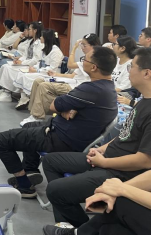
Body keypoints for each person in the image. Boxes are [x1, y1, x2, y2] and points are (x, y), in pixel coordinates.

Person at [41, 47, 151, 230]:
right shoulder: (143, 102)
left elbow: (145, 160)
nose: (129, 71)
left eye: (132, 66)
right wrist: (102, 148)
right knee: (51, 161)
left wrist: (105, 162)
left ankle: (79, 229)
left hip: (120, 171)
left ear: (146, 73)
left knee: (55, 190)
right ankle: (69, 222)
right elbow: (125, 134)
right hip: (106, 158)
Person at [0, 46, 118, 199]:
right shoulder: (109, 88)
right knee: (28, 125)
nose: (82, 62)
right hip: (68, 132)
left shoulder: (90, 89)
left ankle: (24, 185)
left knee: (0, 140)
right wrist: (66, 110)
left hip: (59, 139)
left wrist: (64, 109)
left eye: (84, 59)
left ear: (94, 67)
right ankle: (30, 170)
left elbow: (53, 106)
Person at [21, 34, 101, 126]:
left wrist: (74, 48)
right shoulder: (85, 58)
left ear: (93, 46)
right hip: (72, 82)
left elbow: (70, 65)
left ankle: (37, 116)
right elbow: (72, 76)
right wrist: (56, 75)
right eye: (81, 45)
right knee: (38, 81)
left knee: (43, 86)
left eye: (84, 45)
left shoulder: (93, 60)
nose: (82, 47)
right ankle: (33, 113)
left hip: (77, 87)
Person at [44, 170, 151, 235]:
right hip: (105, 163)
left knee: (121, 203)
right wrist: (114, 190)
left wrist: (122, 189)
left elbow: (143, 160)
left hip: (118, 170)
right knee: (110, 229)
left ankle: (79, 232)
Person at [12, 29, 64, 110]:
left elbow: (52, 69)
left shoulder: (56, 52)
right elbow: (40, 62)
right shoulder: (45, 48)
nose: (40, 37)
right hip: (42, 72)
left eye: (42, 36)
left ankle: (27, 98)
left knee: (27, 76)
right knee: (22, 73)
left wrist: (37, 70)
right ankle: (24, 97)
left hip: (50, 75)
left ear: (47, 38)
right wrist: (34, 68)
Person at [0, 22, 44, 102]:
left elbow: (36, 60)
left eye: (29, 29)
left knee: (9, 69)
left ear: (35, 30)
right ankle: (5, 89)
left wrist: (22, 63)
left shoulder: (39, 43)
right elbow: (25, 55)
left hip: (31, 66)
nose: (28, 31)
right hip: (25, 63)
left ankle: (7, 93)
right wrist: (19, 60)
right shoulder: (31, 41)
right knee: (5, 66)